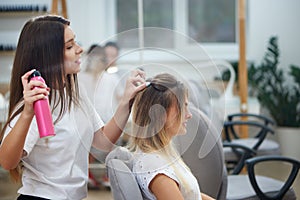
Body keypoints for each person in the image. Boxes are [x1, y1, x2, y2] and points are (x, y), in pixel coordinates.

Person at [0, 15, 146, 200]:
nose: (80, 50)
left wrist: (126, 101)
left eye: (75, 42)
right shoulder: (35, 102)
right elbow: (7, 161)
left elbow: (102, 141)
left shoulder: (75, 95)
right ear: (49, 56)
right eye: (70, 46)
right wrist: (28, 112)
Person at [127, 73, 215, 200]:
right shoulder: (154, 166)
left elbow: (191, 194)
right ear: (159, 115)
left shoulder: (161, 155)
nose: (189, 114)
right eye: (182, 107)